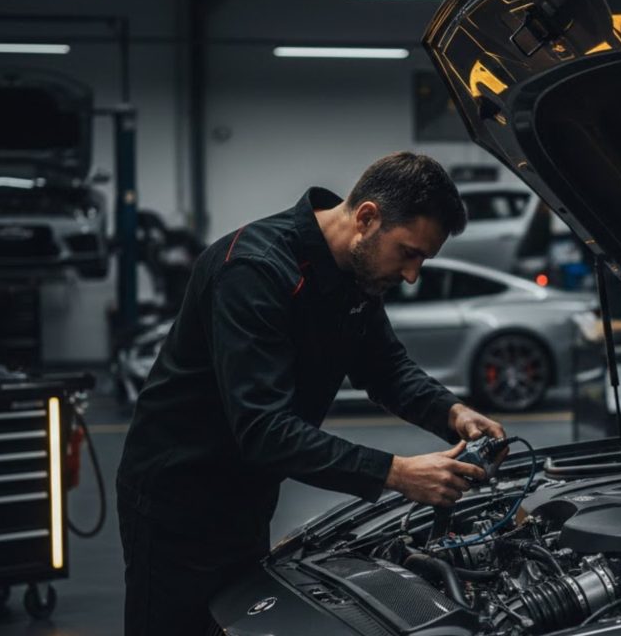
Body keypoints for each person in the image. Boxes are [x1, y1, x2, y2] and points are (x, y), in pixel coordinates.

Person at [116, 152, 507, 635]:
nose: (411, 275)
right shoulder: (253, 271)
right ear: (366, 218)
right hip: (179, 501)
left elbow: (386, 368)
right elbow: (264, 430)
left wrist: (454, 412)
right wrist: (398, 473)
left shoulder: (355, 278)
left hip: (246, 496)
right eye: (408, 253)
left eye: (423, 260)